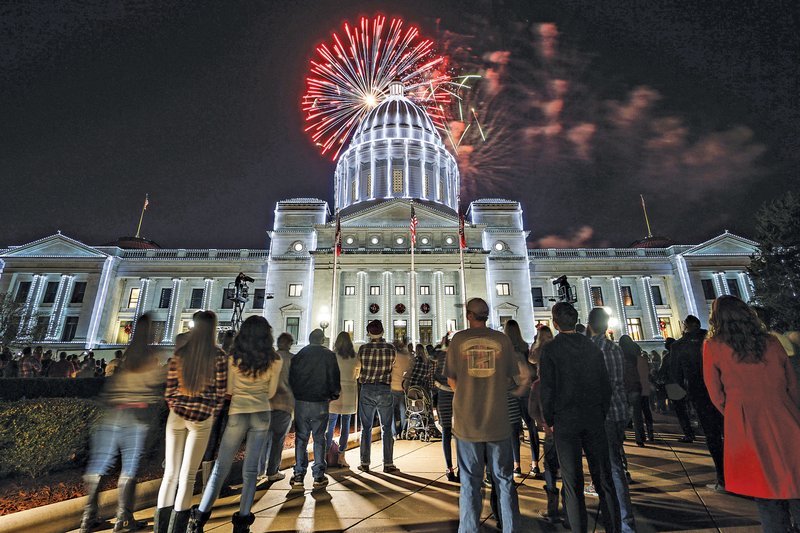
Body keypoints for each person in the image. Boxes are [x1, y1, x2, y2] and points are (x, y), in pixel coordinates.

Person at [704, 296, 800, 532]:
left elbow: (715, 393)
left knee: (766, 495)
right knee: (796, 482)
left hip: (746, 422)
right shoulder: (771, 342)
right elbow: (792, 384)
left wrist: (735, 413)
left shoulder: (713, 346)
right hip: (785, 415)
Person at [190, 316, 282, 533]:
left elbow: (228, 390)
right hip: (261, 413)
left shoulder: (233, 359)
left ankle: (200, 518)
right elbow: (270, 392)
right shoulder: (275, 360)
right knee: (250, 472)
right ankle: (242, 522)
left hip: (238, 413)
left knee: (220, 468)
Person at [540, 303, 620, 533]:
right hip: (594, 417)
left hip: (565, 420)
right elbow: (605, 386)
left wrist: (550, 419)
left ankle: (578, 529)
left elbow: (547, 389)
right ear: (576, 322)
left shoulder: (551, 350)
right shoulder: (592, 347)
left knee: (572, 482)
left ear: (555, 323)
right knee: (604, 479)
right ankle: (614, 528)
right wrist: (600, 412)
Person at [80, 313, 164, 533]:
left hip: (110, 414)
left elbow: (110, 390)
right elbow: (153, 391)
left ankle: (88, 518)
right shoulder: (149, 357)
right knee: (129, 468)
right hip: (134, 417)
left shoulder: (125, 358)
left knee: (99, 465)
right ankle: (123, 518)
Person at [446, 298, 521, 533]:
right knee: (505, 481)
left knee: (469, 482)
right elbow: (511, 377)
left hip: (468, 422)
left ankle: (468, 530)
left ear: (469, 315)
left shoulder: (458, 340)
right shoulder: (502, 340)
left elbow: (451, 378)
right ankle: (511, 528)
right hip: (497, 419)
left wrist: (469, 393)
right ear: (487, 315)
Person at [155, 311, 227, 533]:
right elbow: (220, 392)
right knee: (187, 477)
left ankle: (160, 528)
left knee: (170, 475)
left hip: (176, 416)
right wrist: (209, 411)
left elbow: (169, 389)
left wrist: (176, 407)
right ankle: (177, 529)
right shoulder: (219, 356)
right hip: (201, 418)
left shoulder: (182, 352)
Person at [587, 308, 634, 533]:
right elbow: (622, 380)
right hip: (620, 412)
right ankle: (622, 517)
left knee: (610, 469)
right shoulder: (616, 349)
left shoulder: (591, 350)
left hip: (601, 414)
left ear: (589, 325)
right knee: (615, 462)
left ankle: (623, 522)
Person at [673, 314, 725, 491]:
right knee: (730, 432)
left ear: (685, 326)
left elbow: (676, 375)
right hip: (724, 390)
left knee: (712, 436)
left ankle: (722, 477)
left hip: (700, 393)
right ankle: (741, 473)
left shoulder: (680, 345)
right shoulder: (714, 339)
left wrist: (684, 394)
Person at [289, 328, 341, 489]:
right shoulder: (329, 355)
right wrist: (333, 394)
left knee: (301, 438)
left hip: (302, 401)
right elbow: (334, 377)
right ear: (322, 340)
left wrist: (296, 394)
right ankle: (318, 475)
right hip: (320, 401)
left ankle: (298, 474)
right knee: (319, 438)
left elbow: (292, 377)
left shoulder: (300, 355)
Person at [356, 320, 397, 473]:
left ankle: (365, 462)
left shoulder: (363, 349)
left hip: (367, 388)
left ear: (369, 333)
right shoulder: (391, 349)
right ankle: (388, 463)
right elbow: (392, 365)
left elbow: (358, 369)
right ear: (382, 332)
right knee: (386, 427)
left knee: (366, 427)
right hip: (384, 388)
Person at [258, 332, 295, 483]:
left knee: (262, 438)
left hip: (266, 403)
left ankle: (258, 470)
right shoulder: (293, 359)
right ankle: (272, 471)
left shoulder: (269, 358)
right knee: (278, 439)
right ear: (290, 344)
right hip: (285, 403)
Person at [504, 319, 535, 478]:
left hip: (513, 391)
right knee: (531, 426)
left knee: (514, 429)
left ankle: (516, 465)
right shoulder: (524, 347)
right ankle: (535, 463)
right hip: (526, 389)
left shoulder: (506, 348)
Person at [327, 331, 360, 468]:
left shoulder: (332, 356)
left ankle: (326, 453)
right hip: (349, 394)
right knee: (345, 425)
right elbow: (357, 375)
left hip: (335, 393)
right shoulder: (355, 357)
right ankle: (341, 455)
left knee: (330, 425)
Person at [432, 334, 458, 481]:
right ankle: (460, 467)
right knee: (460, 433)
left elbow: (431, 356)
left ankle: (449, 467)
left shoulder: (441, 355)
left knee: (446, 432)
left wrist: (440, 344)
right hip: (458, 395)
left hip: (444, 394)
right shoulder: (460, 357)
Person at [661, 337, 695, 442]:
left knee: (681, 412)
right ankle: (692, 431)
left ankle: (688, 433)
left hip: (673, 386)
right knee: (688, 409)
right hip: (685, 384)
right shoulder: (684, 355)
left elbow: (662, 371)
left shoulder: (668, 357)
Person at [619, 335, 647, 446]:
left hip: (623, 388)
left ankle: (622, 434)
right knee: (637, 415)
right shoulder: (637, 357)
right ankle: (640, 438)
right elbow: (643, 373)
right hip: (635, 387)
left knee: (623, 414)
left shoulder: (620, 357)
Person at [390, 339, 412, 439]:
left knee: (391, 411)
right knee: (403, 410)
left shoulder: (393, 357)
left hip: (392, 386)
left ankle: (394, 432)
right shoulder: (407, 358)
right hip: (403, 386)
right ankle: (403, 430)